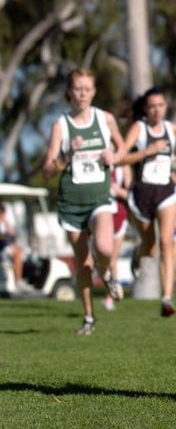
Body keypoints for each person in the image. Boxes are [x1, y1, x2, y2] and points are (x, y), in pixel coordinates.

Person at [42, 68, 125, 334]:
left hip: (99, 197)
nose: (82, 94)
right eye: (78, 89)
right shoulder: (61, 126)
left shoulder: (105, 119)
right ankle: (89, 317)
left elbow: (122, 148)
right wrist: (66, 155)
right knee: (84, 265)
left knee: (105, 247)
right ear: (69, 92)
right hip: (71, 204)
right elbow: (47, 171)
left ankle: (109, 274)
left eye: (87, 89)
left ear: (94, 91)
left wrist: (114, 157)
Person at [121, 87, 176, 316]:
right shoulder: (138, 129)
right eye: (152, 106)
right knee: (150, 248)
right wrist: (147, 151)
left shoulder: (172, 128)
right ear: (145, 109)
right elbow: (121, 157)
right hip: (142, 192)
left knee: (167, 242)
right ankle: (138, 254)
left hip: (166, 191)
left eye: (161, 105)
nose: (157, 110)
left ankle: (167, 297)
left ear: (165, 107)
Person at [103, 163, 131, 311]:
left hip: (118, 215)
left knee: (113, 259)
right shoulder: (97, 161)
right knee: (100, 256)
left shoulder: (124, 168)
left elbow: (131, 194)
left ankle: (110, 296)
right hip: (100, 213)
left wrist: (118, 190)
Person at [0, 202, 30, 292]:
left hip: (5, 247)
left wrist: (6, 222)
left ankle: (21, 278)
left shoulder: (4, 222)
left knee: (21, 250)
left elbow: (11, 232)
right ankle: (18, 281)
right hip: (2, 248)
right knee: (17, 252)